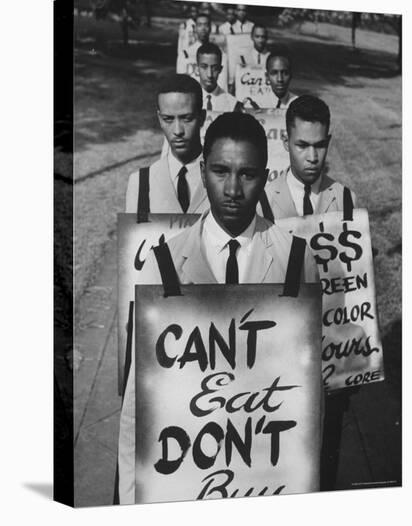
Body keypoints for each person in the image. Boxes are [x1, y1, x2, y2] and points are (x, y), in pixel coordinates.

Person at [117, 112, 319, 503]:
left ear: (265, 176)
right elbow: (135, 414)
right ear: (202, 168)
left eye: (247, 175)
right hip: (185, 477)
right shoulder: (164, 263)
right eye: (220, 171)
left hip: (265, 477)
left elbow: (307, 400)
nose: (232, 189)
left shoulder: (297, 259)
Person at [125, 74, 209, 215]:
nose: (177, 131)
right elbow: (133, 236)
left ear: (202, 117)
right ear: (159, 118)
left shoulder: (226, 177)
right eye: (168, 119)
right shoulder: (140, 183)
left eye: (187, 118)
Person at [265, 95, 357, 219]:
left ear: (328, 142)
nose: (312, 158)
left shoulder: (346, 200)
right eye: (302, 146)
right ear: (286, 142)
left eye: (320, 145)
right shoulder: (263, 201)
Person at [177, 13, 228, 91]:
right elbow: (180, 84)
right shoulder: (185, 54)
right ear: (194, 28)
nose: (203, 28)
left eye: (206, 25)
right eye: (199, 25)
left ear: (210, 28)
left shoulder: (220, 54)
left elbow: (223, 84)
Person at [197, 43, 241, 112]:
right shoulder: (189, 100)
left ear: (220, 69)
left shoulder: (232, 104)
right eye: (204, 67)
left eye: (214, 68)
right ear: (197, 68)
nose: (209, 74)